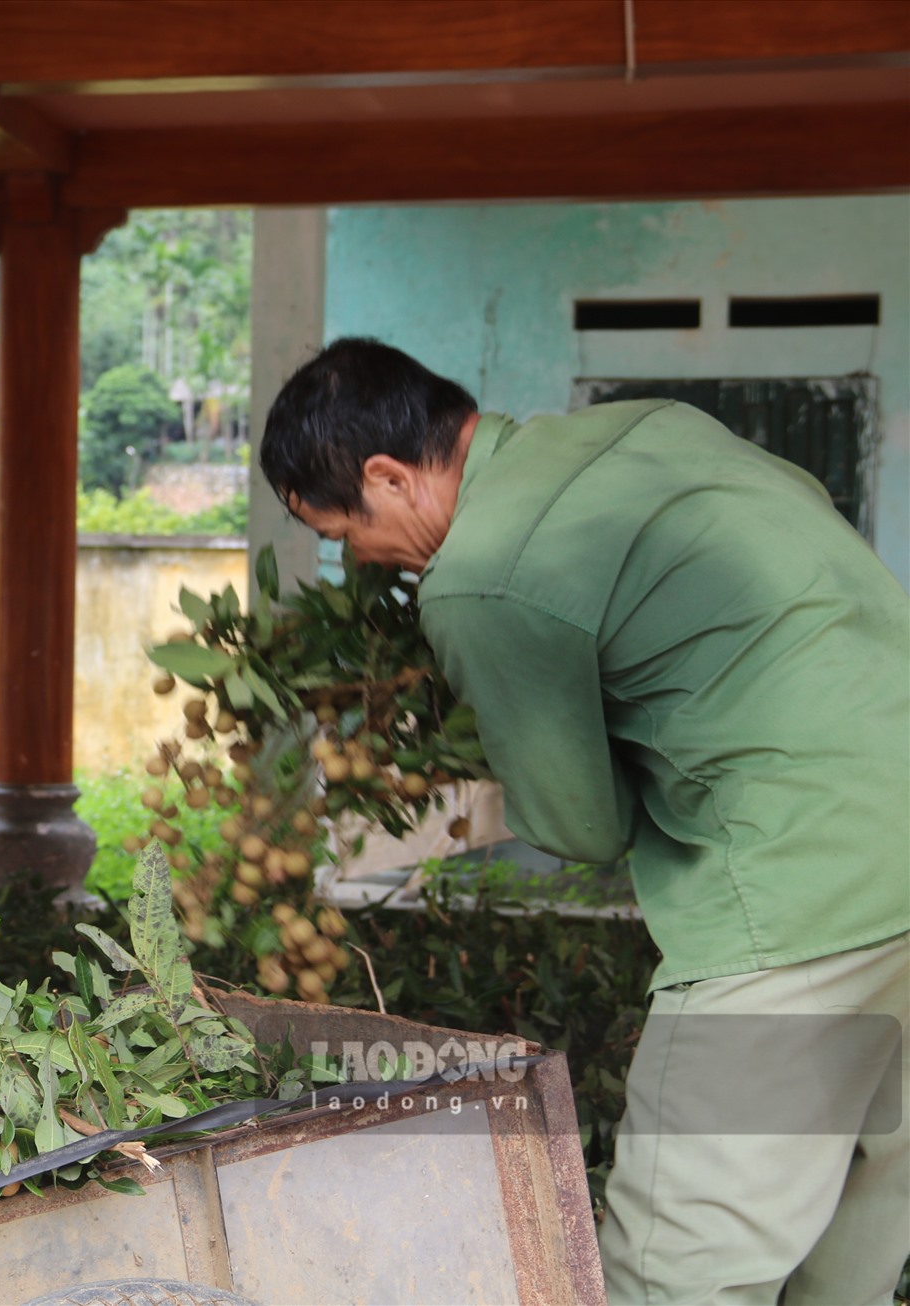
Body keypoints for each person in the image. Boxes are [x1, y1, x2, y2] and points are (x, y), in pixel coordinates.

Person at [260, 338, 909, 1302]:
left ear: (388, 477)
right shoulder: (652, 426)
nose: (360, 563)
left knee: (678, 1265)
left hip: (794, 885)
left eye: (344, 534)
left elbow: (582, 828)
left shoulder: (478, 577)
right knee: (861, 1217)